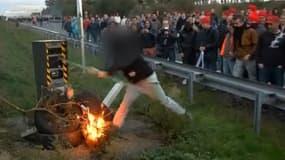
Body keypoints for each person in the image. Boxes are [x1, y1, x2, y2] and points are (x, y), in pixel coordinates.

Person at [87, 19, 191, 129]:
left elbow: (112, 70)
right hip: (135, 84)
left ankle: (184, 114)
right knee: (124, 105)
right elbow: (110, 71)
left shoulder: (126, 54)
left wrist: (98, 72)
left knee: (164, 100)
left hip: (148, 81)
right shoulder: (122, 55)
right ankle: (116, 127)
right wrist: (97, 72)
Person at [255, 15, 285, 86]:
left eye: (271, 24)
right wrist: (259, 62)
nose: (269, 26)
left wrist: (283, 64)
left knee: (278, 87)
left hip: (278, 67)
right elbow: (258, 49)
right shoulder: (263, 35)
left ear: (277, 23)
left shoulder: (283, 36)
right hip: (264, 65)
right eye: (268, 24)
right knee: (263, 86)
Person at [232, 14, 258, 81]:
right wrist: (234, 52)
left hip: (249, 57)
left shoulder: (251, 31)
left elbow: (256, 45)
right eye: (234, 23)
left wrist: (250, 55)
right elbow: (235, 43)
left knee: (252, 76)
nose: (235, 25)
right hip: (239, 56)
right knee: (236, 75)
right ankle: (237, 90)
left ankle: (252, 90)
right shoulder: (235, 30)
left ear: (242, 22)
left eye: (237, 23)